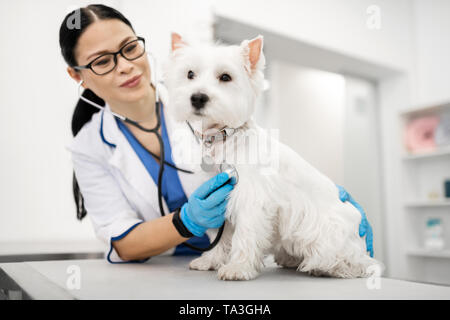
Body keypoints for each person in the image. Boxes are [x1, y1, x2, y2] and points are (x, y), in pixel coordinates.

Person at [60, 4, 373, 264]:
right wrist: (187, 220)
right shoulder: (87, 146)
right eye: (102, 61)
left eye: (130, 48)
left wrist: (324, 196)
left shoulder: (210, 111)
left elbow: (270, 164)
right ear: (77, 75)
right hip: (161, 271)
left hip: (238, 269)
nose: (126, 66)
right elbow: (122, 241)